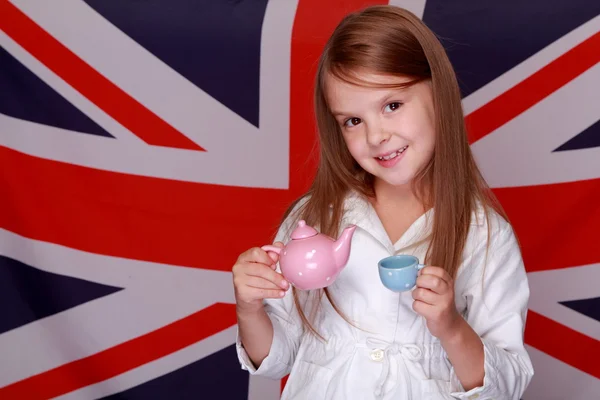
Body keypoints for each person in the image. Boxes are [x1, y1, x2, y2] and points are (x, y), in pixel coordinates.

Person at [232, 5, 534, 399]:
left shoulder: (486, 236)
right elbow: (276, 360)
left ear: (438, 94)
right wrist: (249, 308)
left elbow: (506, 385)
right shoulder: (315, 217)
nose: (376, 136)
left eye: (392, 105)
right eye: (352, 121)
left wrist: (450, 327)